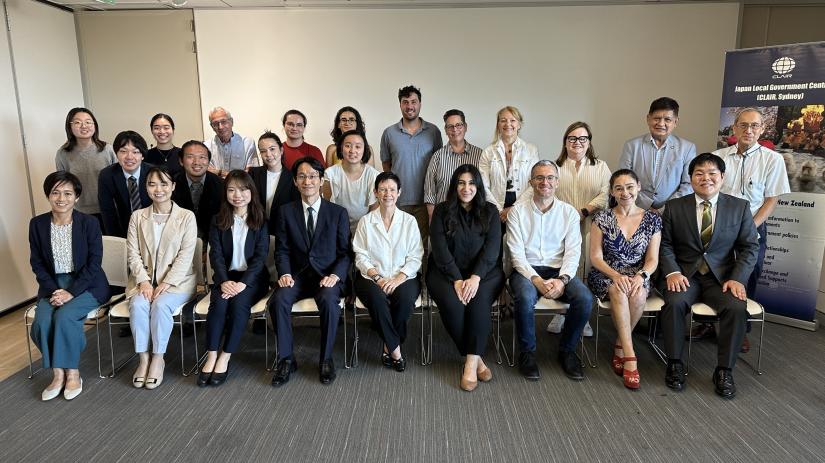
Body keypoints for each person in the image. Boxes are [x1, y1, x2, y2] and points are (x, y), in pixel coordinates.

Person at [658, 153, 758, 399]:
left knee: (736, 308)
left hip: (722, 279)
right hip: (685, 275)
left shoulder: (739, 207)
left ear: (722, 177)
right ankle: (675, 363)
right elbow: (665, 244)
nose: (706, 178)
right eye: (699, 173)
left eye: (712, 173)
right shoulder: (674, 207)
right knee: (674, 303)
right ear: (691, 178)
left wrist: (737, 278)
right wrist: (672, 271)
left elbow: (749, 247)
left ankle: (724, 370)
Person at [700, 108, 791, 351]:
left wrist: (749, 228)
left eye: (754, 126)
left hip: (754, 227)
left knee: (748, 276)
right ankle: (709, 322)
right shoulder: (717, 157)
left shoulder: (773, 159)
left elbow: (771, 199)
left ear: (762, 129)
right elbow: (707, 192)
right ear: (734, 128)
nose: (748, 130)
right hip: (718, 229)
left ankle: (741, 330)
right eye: (743, 125)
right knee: (713, 273)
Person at [507, 160, 593, 381]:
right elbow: (516, 255)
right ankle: (527, 353)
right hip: (527, 270)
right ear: (531, 182)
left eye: (550, 178)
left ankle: (567, 350)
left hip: (559, 271)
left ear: (557, 182)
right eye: (539, 178)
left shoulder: (569, 213)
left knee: (584, 298)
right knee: (525, 298)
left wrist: (562, 280)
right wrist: (536, 280)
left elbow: (574, 253)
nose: (545, 182)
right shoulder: (517, 212)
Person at [268, 157, 350, 387]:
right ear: (295, 181)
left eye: (313, 176)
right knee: (278, 301)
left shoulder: (338, 213)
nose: (308, 181)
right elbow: (282, 249)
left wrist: (336, 275)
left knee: (329, 302)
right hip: (298, 275)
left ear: (321, 180)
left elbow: (345, 253)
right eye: (302, 176)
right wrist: (284, 273)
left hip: (327, 276)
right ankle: (286, 359)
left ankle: (325, 359)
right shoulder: (286, 212)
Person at [29, 172, 110, 401]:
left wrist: (70, 292)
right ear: (48, 195)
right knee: (42, 321)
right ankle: (58, 373)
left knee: (65, 318)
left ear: (76, 197)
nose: (61, 198)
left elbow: (94, 262)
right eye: (55, 192)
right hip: (52, 286)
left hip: (87, 285)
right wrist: (55, 290)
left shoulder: (89, 223)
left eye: (67, 193)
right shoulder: (37, 224)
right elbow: (36, 262)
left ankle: (73, 372)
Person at [427, 165, 503, 391]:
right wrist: (457, 279)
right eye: (461, 183)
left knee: (478, 304)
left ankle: (469, 365)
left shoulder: (490, 211)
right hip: (445, 272)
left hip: (485, 273)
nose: (466, 188)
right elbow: (439, 249)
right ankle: (477, 358)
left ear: (478, 185)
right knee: (454, 305)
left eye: (471, 183)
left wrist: (476, 277)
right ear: (454, 185)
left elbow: (492, 250)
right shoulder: (441, 211)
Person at [588, 169, 661, 389]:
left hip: (639, 275)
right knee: (618, 289)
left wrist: (641, 276)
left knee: (638, 293)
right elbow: (595, 257)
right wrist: (616, 275)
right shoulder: (602, 217)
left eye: (629, 187)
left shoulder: (652, 219)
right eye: (618, 188)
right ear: (612, 192)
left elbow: (652, 259)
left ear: (638, 186)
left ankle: (621, 345)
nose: (625, 192)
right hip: (606, 273)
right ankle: (630, 356)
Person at [127, 166, 198, 390]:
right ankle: (143, 358)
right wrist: (144, 281)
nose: (158, 189)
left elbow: (187, 255)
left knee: (160, 306)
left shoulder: (186, 216)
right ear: (146, 187)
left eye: (164, 183)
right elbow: (132, 252)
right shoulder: (137, 217)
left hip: (178, 282)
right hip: (144, 282)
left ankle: (158, 358)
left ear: (173, 186)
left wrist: (166, 282)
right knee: (138, 304)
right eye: (152, 184)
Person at [198, 170, 270, 387]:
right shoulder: (218, 220)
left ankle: (225, 356)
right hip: (226, 276)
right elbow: (215, 254)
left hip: (252, 279)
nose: (237, 195)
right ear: (225, 193)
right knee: (218, 304)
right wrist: (223, 280)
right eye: (231, 190)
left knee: (239, 305)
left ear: (251, 192)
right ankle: (211, 355)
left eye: (242, 189)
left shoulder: (260, 219)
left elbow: (260, 257)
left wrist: (242, 283)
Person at [352, 172, 423, 372]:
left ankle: (387, 346)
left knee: (405, 298)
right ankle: (396, 350)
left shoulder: (409, 221)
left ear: (399, 193)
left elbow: (416, 256)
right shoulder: (366, 222)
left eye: (392, 189)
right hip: (370, 276)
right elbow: (360, 255)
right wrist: (376, 276)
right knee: (377, 299)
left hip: (404, 276)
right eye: (382, 189)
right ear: (375, 192)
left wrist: (399, 278)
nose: (387, 194)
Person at [546, 122, 610, 337]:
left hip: (591, 223)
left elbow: (606, 193)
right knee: (563, 265)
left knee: (585, 267)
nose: (577, 142)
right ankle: (561, 312)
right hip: (560, 225)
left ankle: (582, 317)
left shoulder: (600, 166)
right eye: (572, 138)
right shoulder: (555, 166)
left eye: (582, 138)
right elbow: (546, 192)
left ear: (589, 142)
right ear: (565, 141)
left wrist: (584, 210)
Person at [380, 85, 443, 240]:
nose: (410, 106)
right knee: (397, 245)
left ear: (420, 104)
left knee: (422, 247)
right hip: (397, 202)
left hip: (425, 202)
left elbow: (438, 166)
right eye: (405, 102)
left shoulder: (433, 132)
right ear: (400, 104)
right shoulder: (389, 133)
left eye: (414, 102)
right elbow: (386, 166)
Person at [618, 97, 696, 212]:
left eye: (667, 119)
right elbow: (623, 180)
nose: (661, 123)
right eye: (657, 118)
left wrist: (665, 209)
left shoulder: (687, 148)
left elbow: (688, 184)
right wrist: (646, 206)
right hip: (636, 209)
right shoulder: (631, 146)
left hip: (673, 212)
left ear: (675, 122)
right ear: (648, 119)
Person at [478, 106, 540, 224]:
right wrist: (498, 210)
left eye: (512, 120)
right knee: (496, 242)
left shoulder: (531, 150)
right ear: (498, 125)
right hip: (494, 209)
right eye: (503, 120)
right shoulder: (488, 152)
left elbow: (535, 182)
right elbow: (482, 185)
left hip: (523, 206)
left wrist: (514, 208)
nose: (508, 124)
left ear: (519, 124)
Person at [55, 107, 117, 219]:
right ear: (70, 127)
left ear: (95, 125)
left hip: (109, 208)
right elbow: (63, 185)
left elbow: (117, 178)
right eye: (78, 122)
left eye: (88, 122)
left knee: (111, 237)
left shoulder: (107, 149)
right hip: (79, 211)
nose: (84, 126)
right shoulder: (63, 154)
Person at [424, 109, 483, 221]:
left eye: (458, 125)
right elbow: (430, 193)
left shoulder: (480, 155)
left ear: (465, 127)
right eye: (450, 126)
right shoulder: (437, 157)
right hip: (444, 218)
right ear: (446, 130)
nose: (455, 129)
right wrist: (433, 221)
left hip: (473, 219)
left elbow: (485, 189)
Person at [323, 130, 379, 234]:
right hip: (336, 229)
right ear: (341, 148)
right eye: (348, 146)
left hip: (365, 230)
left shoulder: (373, 175)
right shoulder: (330, 174)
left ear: (364, 150)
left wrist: (363, 231)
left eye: (358, 147)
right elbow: (327, 206)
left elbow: (374, 210)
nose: (352, 150)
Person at [98, 130, 152, 238]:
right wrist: (118, 241)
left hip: (153, 228)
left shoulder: (154, 173)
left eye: (135, 152)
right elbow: (107, 211)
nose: (129, 157)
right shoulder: (106, 175)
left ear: (142, 155)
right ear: (116, 154)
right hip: (124, 230)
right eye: (123, 151)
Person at [249, 131, 300, 235]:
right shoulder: (253, 174)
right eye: (263, 151)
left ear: (281, 150)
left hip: (283, 232)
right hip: (256, 231)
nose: (268, 154)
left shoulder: (293, 178)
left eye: (272, 149)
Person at [172, 141, 224, 240]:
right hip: (178, 242)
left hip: (213, 242)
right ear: (181, 161)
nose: (196, 162)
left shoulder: (221, 185)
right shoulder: (171, 184)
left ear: (208, 161)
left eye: (202, 157)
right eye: (190, 157)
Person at [204, 107, 258, 178]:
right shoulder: (206, 146)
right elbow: (205, 171)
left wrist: (219, 172)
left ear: (231, 122)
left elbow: (252, 172)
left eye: (223, 121)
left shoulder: (247, 143)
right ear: (212, 127)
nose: (220, 127)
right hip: (216, 186)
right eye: (215, 124)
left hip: (241, 187)